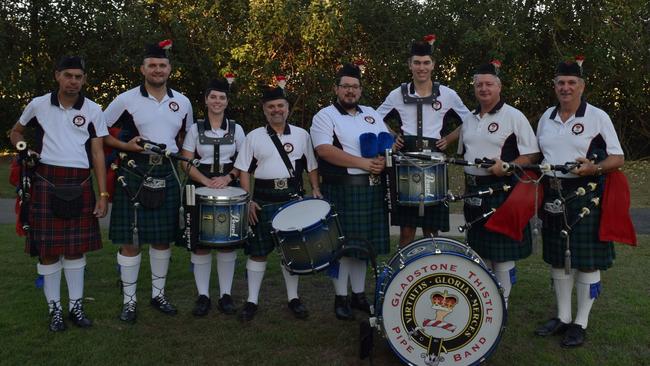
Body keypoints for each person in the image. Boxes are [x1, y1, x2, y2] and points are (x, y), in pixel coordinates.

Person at [9, 56, 109, 331]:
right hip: (45, 179)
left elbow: (98, 152)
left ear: (84, 79)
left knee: (75, 251)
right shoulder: (39, 104)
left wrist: (103, 194)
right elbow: (16, 131)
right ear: (57, 76)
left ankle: (76, 307)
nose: (73, 81)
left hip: (79, 181)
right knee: (49, 252)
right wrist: (22, 148)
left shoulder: (93, 109)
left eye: (78, 76)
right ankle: (55, 309)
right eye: (68, 75)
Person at [533, 58, 624, 347]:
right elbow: (537, 156)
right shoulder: (546, 116)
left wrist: (594, 168)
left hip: (586, 193)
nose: (566, 87)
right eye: (561, 82)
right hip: (552, 192)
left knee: (586, 262)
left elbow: (618, 158)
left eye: (572, 82)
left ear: (582, 86)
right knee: (559, 258)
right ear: (555, 86)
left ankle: (580, 322)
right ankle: (562, 317)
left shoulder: (597, 117)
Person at [103, 40, 194, 323]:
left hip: (167, 170)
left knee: (161, 238)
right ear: (142, 69)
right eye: (152, 65)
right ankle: (129, 301)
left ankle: (158, 294)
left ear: (170, 69)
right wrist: (127, 147)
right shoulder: (125, 99)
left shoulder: (183, 102)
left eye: (162, 65)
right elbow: (100, 133)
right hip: (133, 170)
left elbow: (187, 138)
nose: (157, 70)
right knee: (131, 240)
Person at [234, 85, 321, 322]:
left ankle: (293, 298)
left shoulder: (302, 134)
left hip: (291, 200)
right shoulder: (254, 136)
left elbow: (311, 166)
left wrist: (315, 188)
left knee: (290, 251)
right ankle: (252, 300)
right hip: (262, 201)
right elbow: (243, 171)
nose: (276, 110)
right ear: (264, 110)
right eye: (271, 107)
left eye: (280, 106)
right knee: (258, 252)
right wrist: (248, 200)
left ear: (287, 109)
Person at [310, 63, 390, 320]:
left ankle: (358, 295)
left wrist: (382, 161)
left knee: (363, 247)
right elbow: (324, 150)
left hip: (371, 190)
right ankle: (340, 297)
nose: (350, 91)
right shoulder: (325, 115)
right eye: (345, 86)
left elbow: (385, 141)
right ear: (336, 88)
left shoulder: (371, 113)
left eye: (355, 87)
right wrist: (364, 164)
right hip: (344, 189)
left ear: (360, 90)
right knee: (341, 248)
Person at [458, 61, 540, 308]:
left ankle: (501, 304)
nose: (484, 88)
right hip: (473, 190)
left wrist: (508, 165)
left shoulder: (514, 116)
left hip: (501, 190)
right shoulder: (469, 119)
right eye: (479, 84)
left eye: (488, 84)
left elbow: (533, 154)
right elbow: (465, 153)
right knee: (480, 250)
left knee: (501, 254)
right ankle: (485, 300)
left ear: (499, 86)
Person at [377, 35, 472, 247]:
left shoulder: (447, 94)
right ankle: (403, 274)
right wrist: (393, 135)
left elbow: (470, 120)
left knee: (431, 229)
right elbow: (374, 118)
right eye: (417, 63)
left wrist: (449, 138)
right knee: (407, 230)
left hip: (435, 162)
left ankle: (430, 271)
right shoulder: (397, 94)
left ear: (433, 64)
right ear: (410, 64)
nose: (422, 67)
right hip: (406, 161)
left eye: (426, 63)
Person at [179, 78, 245, 316]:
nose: (217, 101)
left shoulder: (237, 128)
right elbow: (185, 161)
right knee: (201, 244)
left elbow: (243, 160)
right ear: (206, 100)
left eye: (222, 97)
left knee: (227, 243)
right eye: (213, 97)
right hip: (199, 185)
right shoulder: (195, 129)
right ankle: (203, 295)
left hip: (229, 184)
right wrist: (206, 181)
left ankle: (226, 295)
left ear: (227, 101)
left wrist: (228, 178)